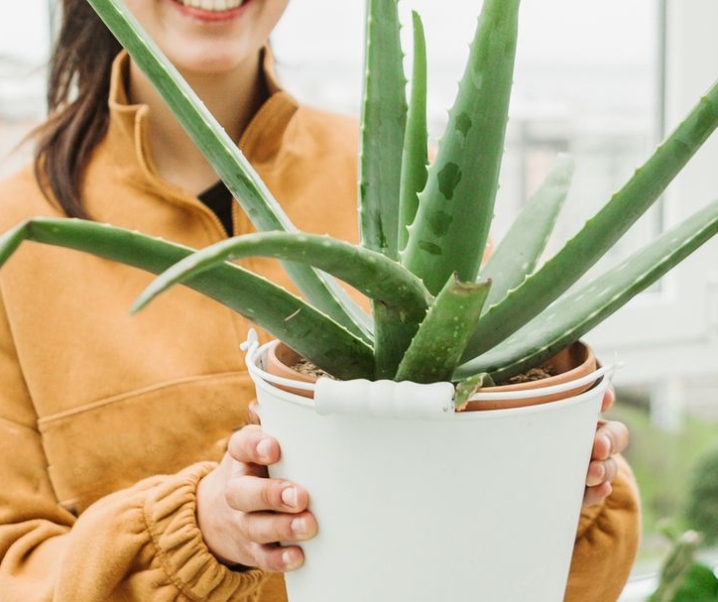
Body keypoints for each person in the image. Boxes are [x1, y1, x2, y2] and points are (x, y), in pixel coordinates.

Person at [0, 0, 640, 600]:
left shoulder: (415, 191)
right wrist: (198, 531)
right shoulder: (19, 235)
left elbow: (564, 578)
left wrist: (559, 492)